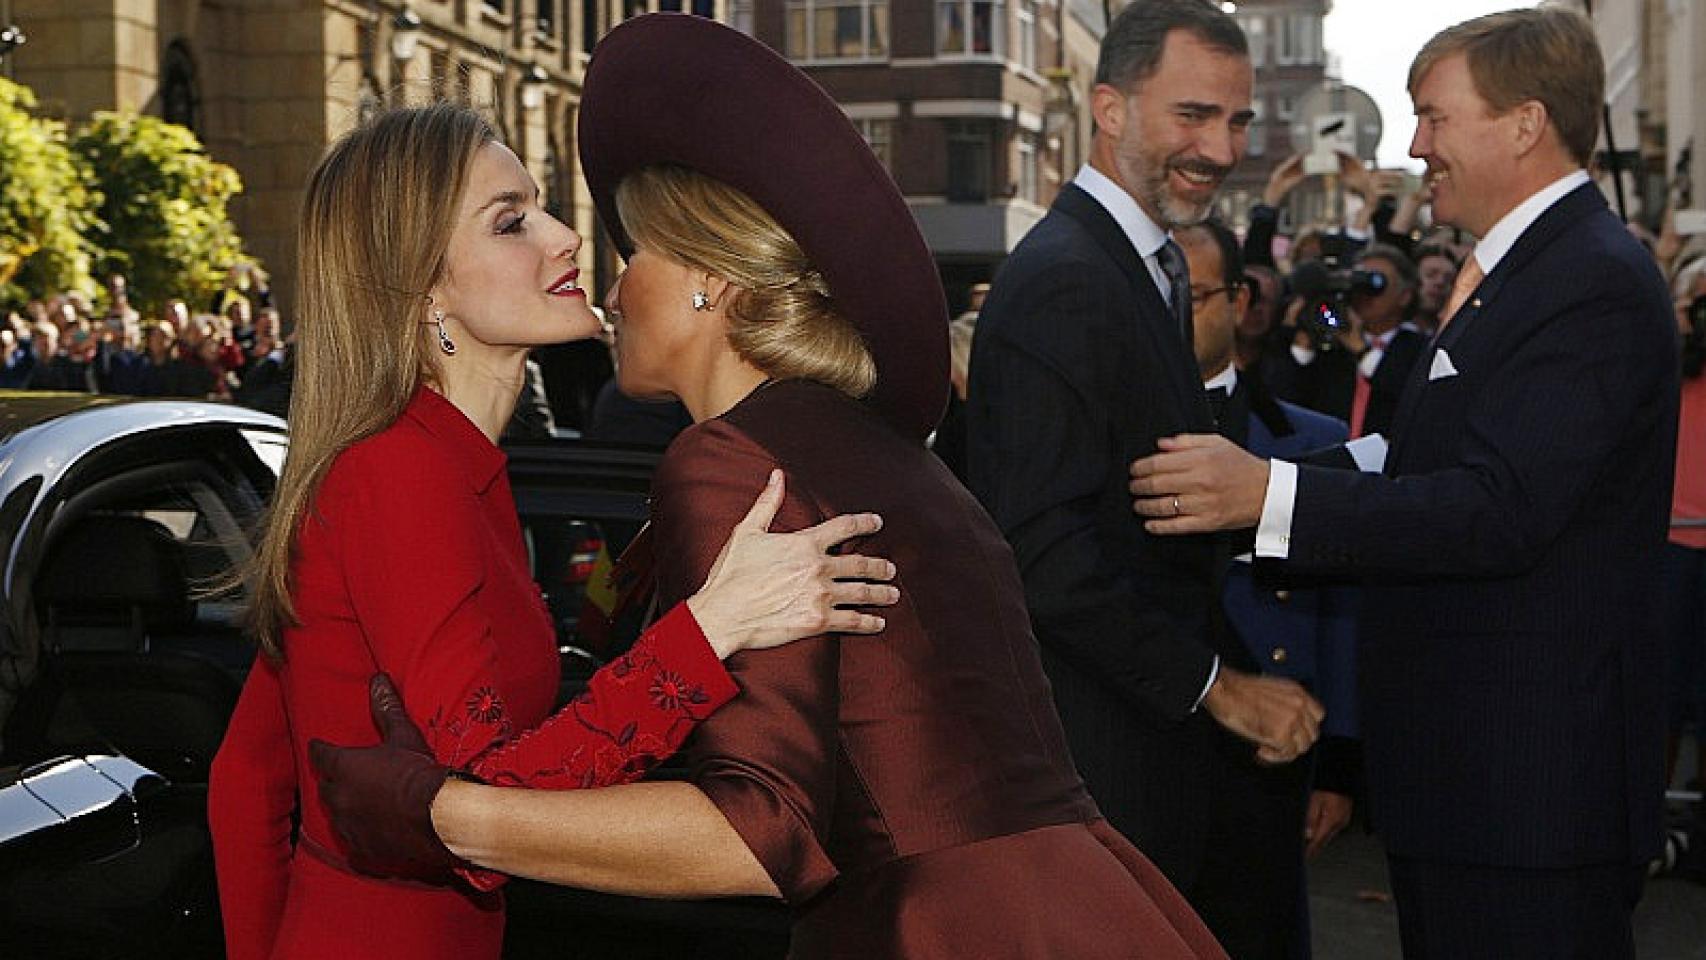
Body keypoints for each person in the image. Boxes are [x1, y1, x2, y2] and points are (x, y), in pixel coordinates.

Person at [309, 15, 1228, 960]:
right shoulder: (864, 447)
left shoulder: (734, 461)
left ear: (710, 276)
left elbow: (758, 831)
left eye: (635, 254)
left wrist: (441, 814)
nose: (610, 284)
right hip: (1068, 898)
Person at [206, 102, 903, 960]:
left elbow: (247, 774)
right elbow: (489, 796)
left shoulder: (444, 466)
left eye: (540, 208)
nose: (568, 236)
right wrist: (711, 628)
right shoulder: (401, 472)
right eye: (512, 222)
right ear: (423, 288)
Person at [1128, 9, 1675, 957]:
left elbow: (1500, 507)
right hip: (1476, 781)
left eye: (1435, 116)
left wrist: (1269, 497)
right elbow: (1419, 456)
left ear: (1525, 123)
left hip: (1529, 791)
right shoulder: (1529, 270)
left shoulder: (1587, 279)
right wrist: (1262, 483)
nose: (1416, 145)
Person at [962, 0, 1325, 929]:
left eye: (1237, 120)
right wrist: (1218, 686)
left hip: (1146, 757)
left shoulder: (1137, 267)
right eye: (1193, 115)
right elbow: (1040, 552)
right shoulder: (1070, 278)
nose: (1221, 148)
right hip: (1104, 763)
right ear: (1110, 108)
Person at [1178, 216, 1361, 957]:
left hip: (1274, 746)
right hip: (1149, 734)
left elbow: (1341, 604)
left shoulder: (1314, 440)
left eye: (1194, 296)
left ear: (1240, 300)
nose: (1175, 313)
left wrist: (1340, 763)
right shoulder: (1100, 431)